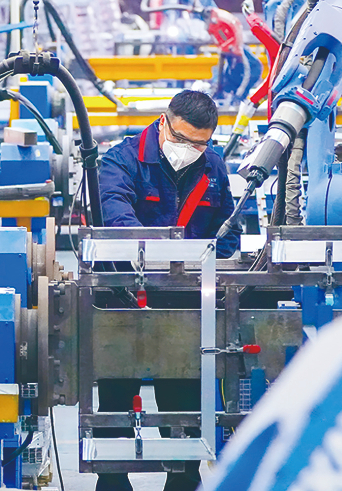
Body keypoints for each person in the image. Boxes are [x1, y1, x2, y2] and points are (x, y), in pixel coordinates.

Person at [93, 90, 239, 491]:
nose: (190, 149)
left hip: (185, 303)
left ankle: (183, 478)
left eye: (200, 143)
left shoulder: (212, 166)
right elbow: (115, 215)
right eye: (183, 139)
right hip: (121, 300)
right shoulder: (120, 161)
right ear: (164, 122)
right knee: (116, 401)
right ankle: (112, 480)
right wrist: (166, 253)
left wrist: (196, 264)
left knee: (183, 402)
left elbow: (228, 234)